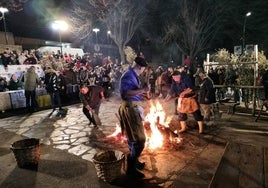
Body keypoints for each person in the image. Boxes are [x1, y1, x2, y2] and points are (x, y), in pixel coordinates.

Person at [118, 56, 150, 178]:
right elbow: (126, 93)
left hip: (132, 107)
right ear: (141, 67)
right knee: (140, 140)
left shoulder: (133, 75)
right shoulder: (128, 75)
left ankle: (134, 162)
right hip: (130, 109)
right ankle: (130, 168)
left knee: (132, 138)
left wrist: (143, 93)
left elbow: (133, 92)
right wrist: (142, 89)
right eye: (143, 69)